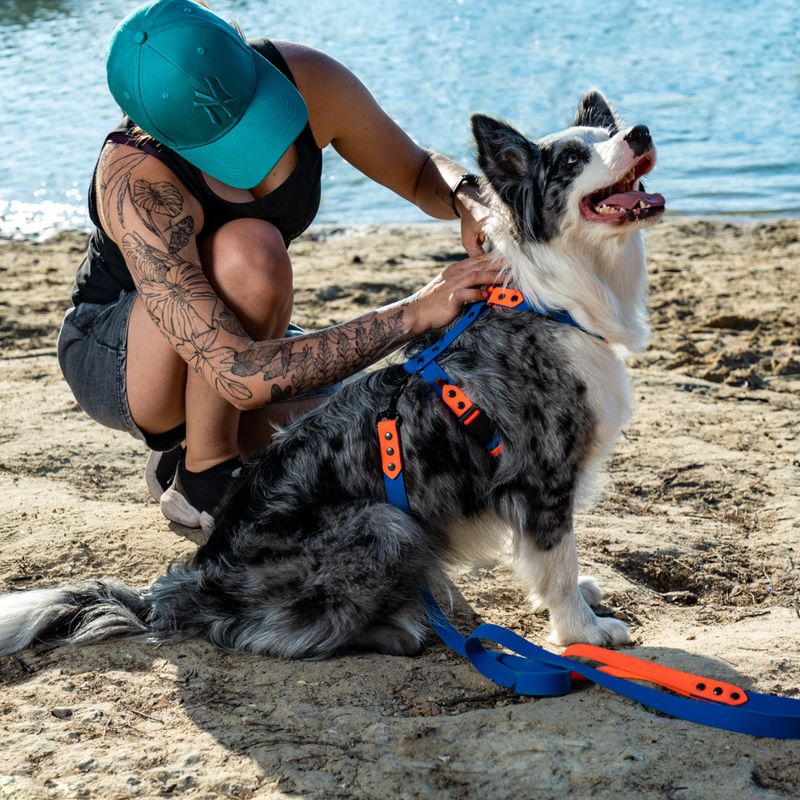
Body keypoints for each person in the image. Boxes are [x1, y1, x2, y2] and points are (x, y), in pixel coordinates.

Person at [57, 0, 500, 534]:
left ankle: (193, 445)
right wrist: (417, 312)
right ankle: (204, 472)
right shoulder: (135, 179)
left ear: (240, 46)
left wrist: (471, 198)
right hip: (122, 350)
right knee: (251, 250)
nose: (254, 147)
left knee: (363, 425)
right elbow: (238, 373)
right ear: (153, 130)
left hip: (233, 338)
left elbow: (417, 171)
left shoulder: (308, 77)